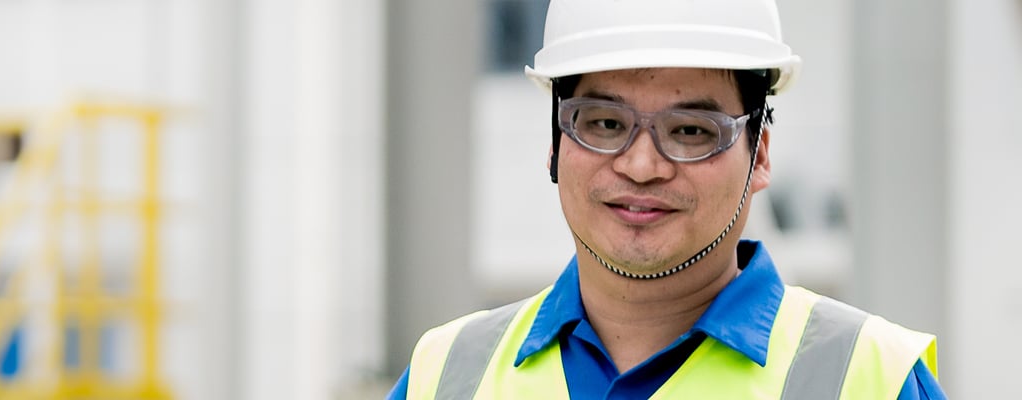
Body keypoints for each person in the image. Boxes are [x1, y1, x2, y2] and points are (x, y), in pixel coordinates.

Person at [388, 0, 945, 398]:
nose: (641, 165)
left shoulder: (869, 378)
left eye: (691, 131)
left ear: (761, 155)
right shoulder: (447, 376)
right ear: (555, 144)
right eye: (604, 123)